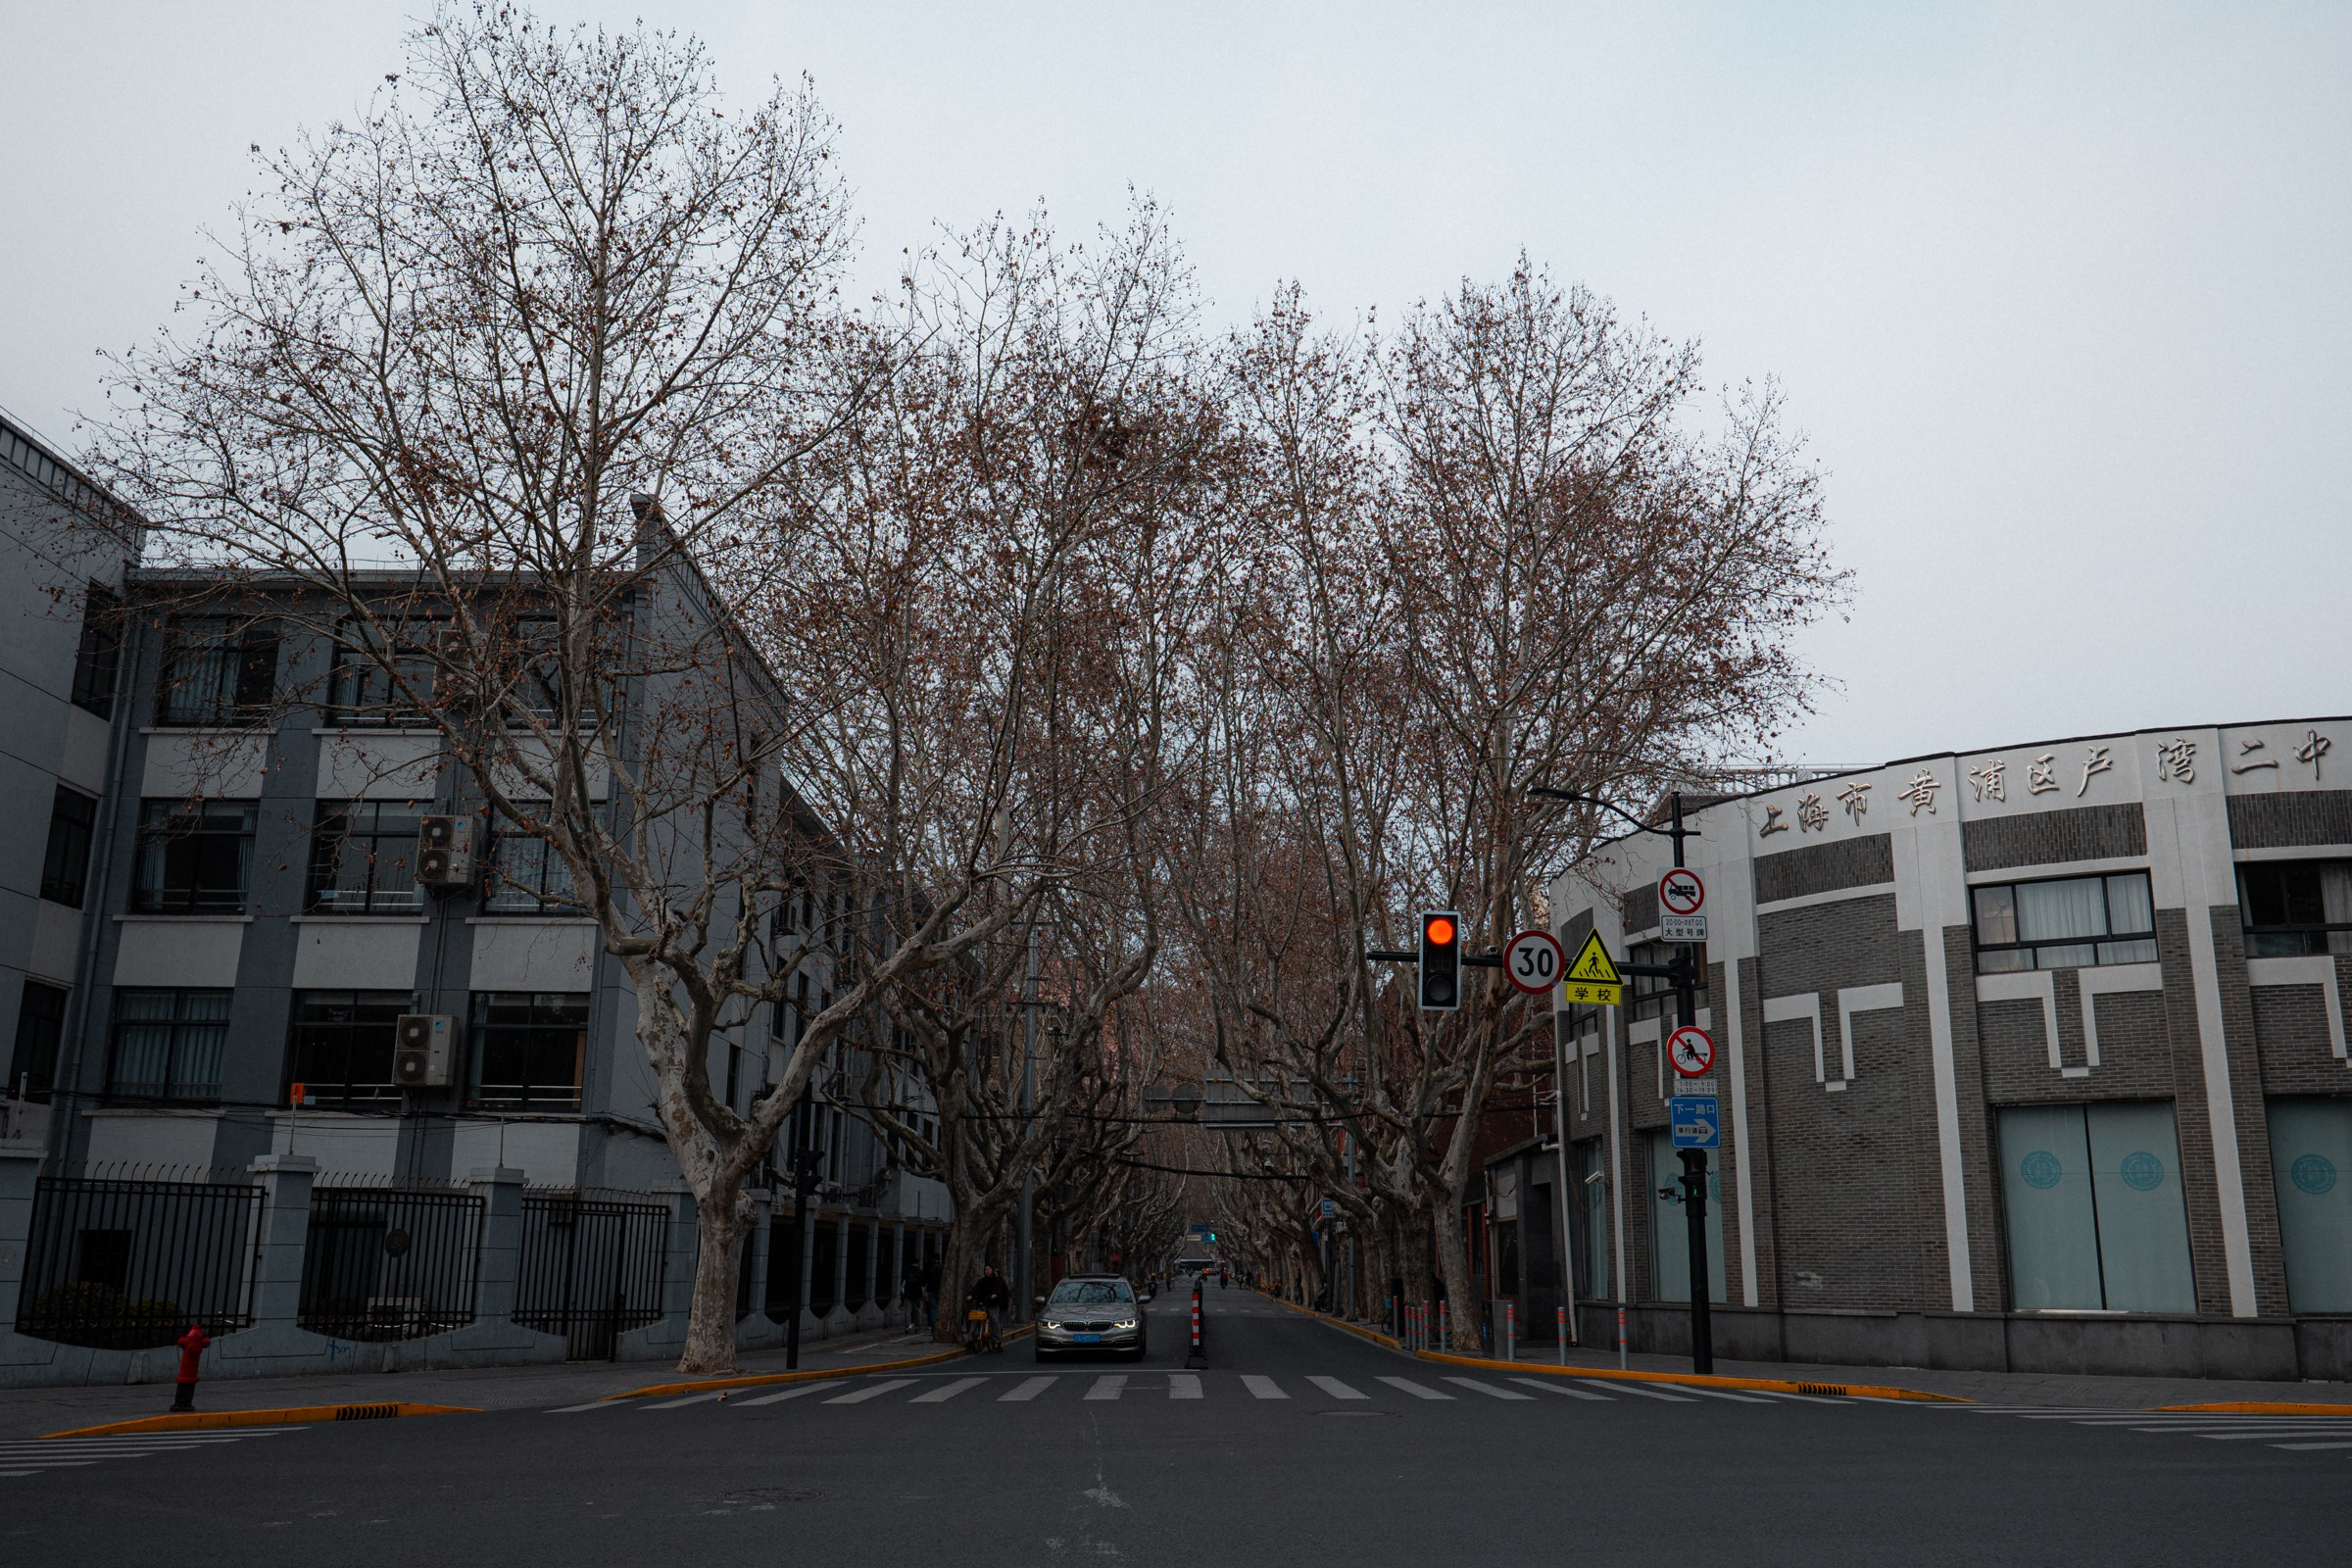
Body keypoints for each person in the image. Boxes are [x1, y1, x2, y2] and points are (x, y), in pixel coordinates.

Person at [967, 1263, 1011, 1349]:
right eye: (986, 1269)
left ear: (992, 1270)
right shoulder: (981, 1281)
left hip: (993, 1304)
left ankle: (997, 1341)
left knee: (994, 1321)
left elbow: (999, 1290)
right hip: (982, 1303)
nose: (987, 1271)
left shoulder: (997, 1281)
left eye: (989, 1269)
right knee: (975, 1320)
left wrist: (995, 1295)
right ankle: (970, 1339)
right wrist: (971, 1295)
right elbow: (976, 1289)